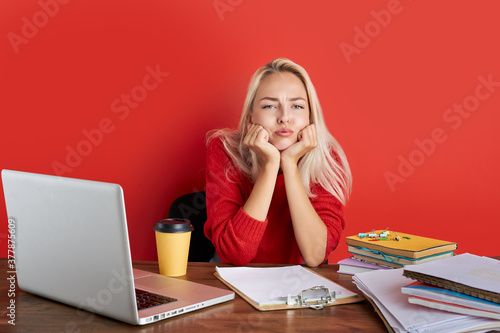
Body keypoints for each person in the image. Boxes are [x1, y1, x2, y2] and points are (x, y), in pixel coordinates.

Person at [204, 58, 352, 267]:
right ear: (250, 119)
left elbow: (314, 255)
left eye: (297, 106)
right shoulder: (224, 149)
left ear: (311, 118)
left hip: (296, 286)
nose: (284, 117)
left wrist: (290, 164)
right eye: (270, 106)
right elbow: (235, 256)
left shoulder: (326, 157)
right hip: (234, 281)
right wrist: (270, 167)